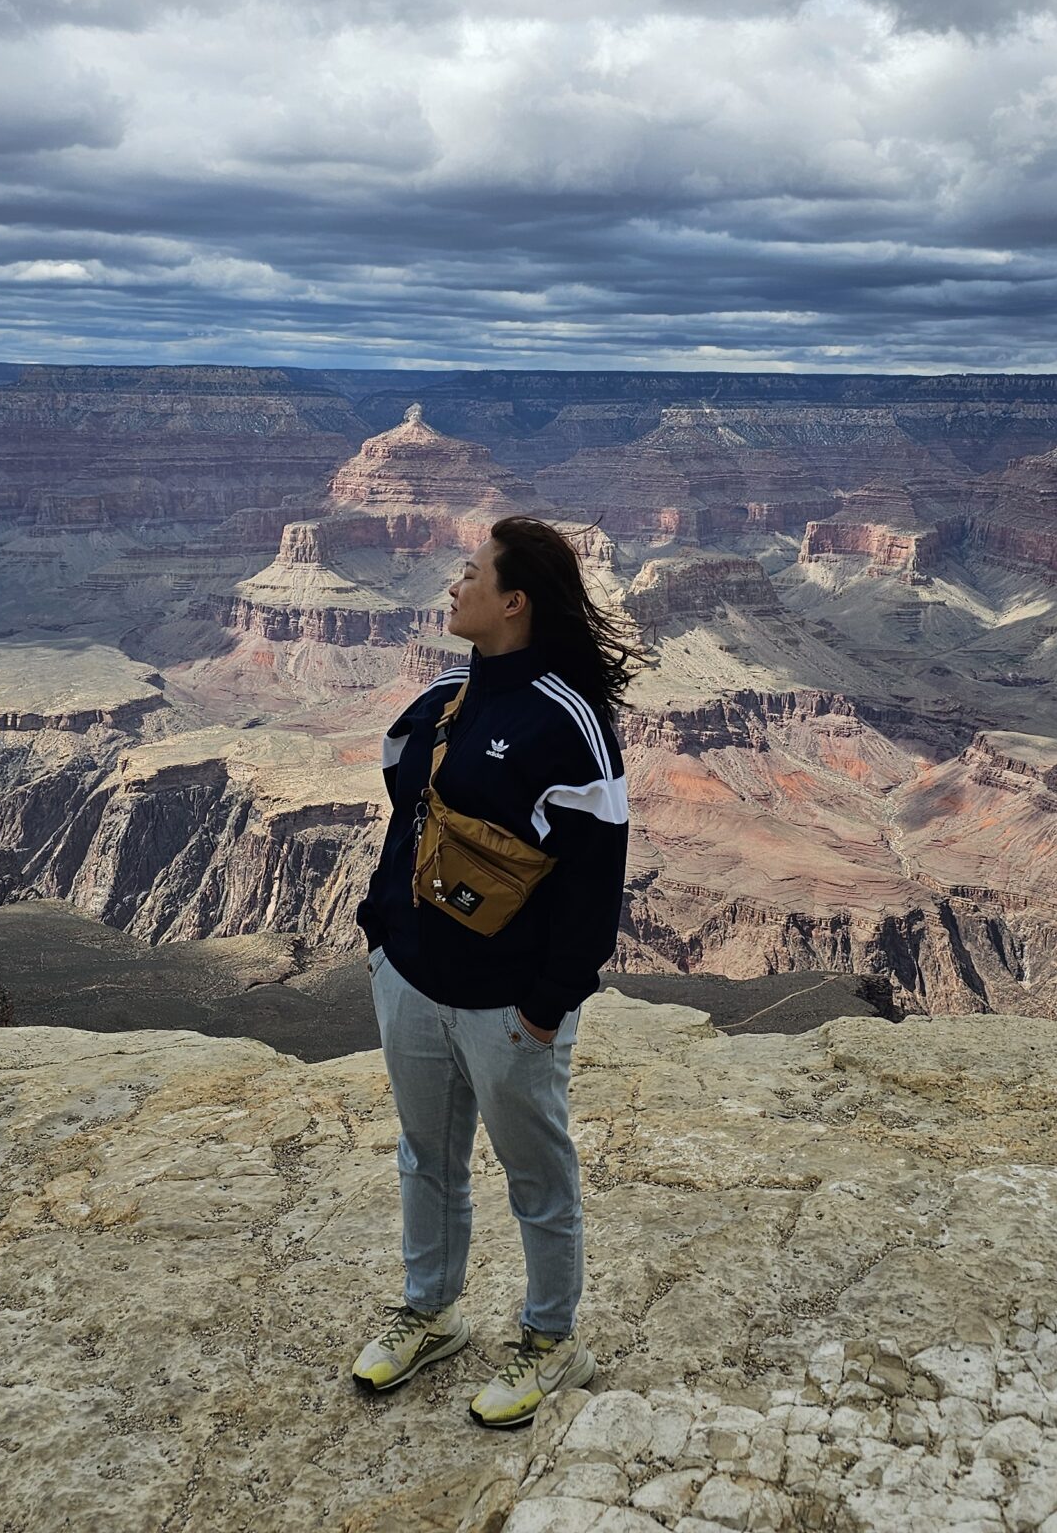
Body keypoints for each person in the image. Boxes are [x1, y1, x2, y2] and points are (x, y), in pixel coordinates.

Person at [348, 514, 643, 1429]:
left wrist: (549, 1006)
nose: (453, 584)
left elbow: (598, 875)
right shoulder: (443, 698)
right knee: (426, 1159)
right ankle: (431, 1314)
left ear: (513, 602)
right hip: (412, 979)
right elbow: (404, 810)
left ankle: (553, 1342)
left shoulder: (568, 720)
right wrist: (381, 930)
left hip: (507, 1007)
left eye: (469, 573)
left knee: (536, 1178)